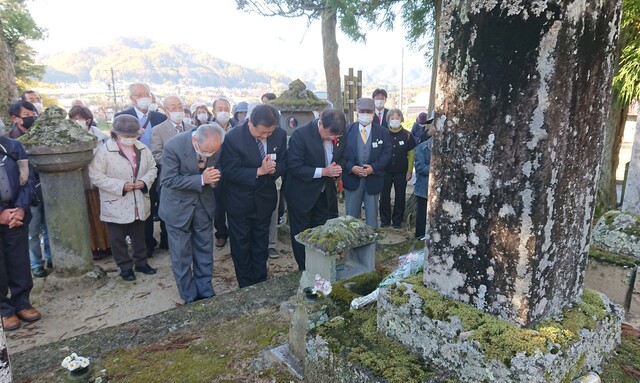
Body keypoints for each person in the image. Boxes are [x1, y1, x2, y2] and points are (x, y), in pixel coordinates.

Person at [220, 104, 287, 288]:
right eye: (262, 132)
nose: (266, 136)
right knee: (241, 246)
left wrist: (274, 170)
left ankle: (260, 281)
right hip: (240, 202)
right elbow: (229, 171)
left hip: (265, 199)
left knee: (260, 243)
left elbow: (284, 162)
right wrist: (259, 171)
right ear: (250, 123)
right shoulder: (233, 138)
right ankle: (245, 285)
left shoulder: (279, 135)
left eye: (270, 132)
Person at [159, 123, 225, 303]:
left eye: (213, 152)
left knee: (204, 249)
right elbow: (168, 180)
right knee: (181, 254)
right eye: (206, 152)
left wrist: (214, 179)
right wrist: (201, 179)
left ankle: (205, 290)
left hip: (203, 205)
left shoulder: (216, 145)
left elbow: (220, 170)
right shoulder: (174, 146)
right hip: (177, 207)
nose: (209, 155)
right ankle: (188, 295)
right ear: (195, 140)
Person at [88, 115, 158, 281]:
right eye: (126, 136)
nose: (129, 139)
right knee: (117, 237)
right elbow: (96, 175)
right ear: (116, 134)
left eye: (133, 136)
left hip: (138, 199)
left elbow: (152, 168)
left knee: (139, 234)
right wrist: (120, 186)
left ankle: (141, 262)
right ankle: (125, 267)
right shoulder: (104, 151)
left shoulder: (142, 148)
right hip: (116, 200)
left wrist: (144, 181)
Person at [286, 109, 346, 270]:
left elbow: (344, 156)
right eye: (328, 134)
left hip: (325, 193)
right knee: (302, 234)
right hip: (301, 193)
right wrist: (324, 171)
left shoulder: (339, 133)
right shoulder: (301, 135)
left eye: (336, 136)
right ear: (320, 122)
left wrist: (337, 169)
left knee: (322, 230)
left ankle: (321, 266)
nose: (332, 138)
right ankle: (304, 269)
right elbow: (294, 167)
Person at [115, 83, 168, 257]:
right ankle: (147, 244)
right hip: (136, 169)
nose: (144, 97)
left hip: (160, 166)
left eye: (147, 93)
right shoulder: (122, 117)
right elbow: (115, 141)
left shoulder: (160, 117)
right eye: (139, 94)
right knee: (144, 206)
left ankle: (167, 239)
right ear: (132, 98)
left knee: (164, 202)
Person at [0, 134, 40, 331]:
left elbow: (28, 178)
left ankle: (22, 302)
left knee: (19, 260)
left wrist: (21, 208)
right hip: (2, 214)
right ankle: (4, 310)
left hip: (17, 213)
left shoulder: (13, 146)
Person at [7, 100, 51, 278]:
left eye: (33, 114)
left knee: (49, 227)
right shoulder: (8, 141)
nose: (31, 118)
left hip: (46, 186)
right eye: (26, 115)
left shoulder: (44, 134)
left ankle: (51, 257)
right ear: (15, 118)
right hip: (24, 191)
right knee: (32, 232)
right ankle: (36, 263)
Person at [150, 96, 196, 254]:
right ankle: (169, 242)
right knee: (170, 213)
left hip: (191, 178)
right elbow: (156, 154)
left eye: (180, 106)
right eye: (172, 107)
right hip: (169, 177)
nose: (177, 110)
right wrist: (177, 163)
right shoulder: (158, 130)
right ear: (165, 110)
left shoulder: (192, 128)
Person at [69, 105, 111, 260]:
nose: (76, 121)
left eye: (79, 118)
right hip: (80, 182)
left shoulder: (101, 138)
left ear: (88, 120)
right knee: (87, 216)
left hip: (100, 182)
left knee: (103, 214)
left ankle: (108, 244)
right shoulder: (69, 139)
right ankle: (93, 247)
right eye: (73, 119)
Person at [342, 98, 391, 228]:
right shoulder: (347, 131)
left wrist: (373, 168)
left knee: (372, 216)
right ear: (357, 112)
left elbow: (386, 154)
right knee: (351, 217)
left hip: (373, 180)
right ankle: (351, 246)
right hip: (352, 179)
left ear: (373, 113)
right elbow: (340, 154)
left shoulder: (383, 132)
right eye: (362, 111)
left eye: (368, 111)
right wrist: (351, 167)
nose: (365, 114)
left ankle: (372, 246)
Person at [379, 109, 416, 228]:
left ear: (401, 119)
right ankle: (385, 220)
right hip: (385, 170)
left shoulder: (408, 135)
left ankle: (397, 221)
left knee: (400, 196)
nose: (395, 120)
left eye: (397, 118)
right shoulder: (383, 134)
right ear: (388, 120)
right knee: (384, 196)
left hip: (401, 171)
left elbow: (411, 154)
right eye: (392, 118)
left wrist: (409, 170)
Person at [211, 98, 235, 249]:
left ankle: (234, 231)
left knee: (233, 202)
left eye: (226, 108)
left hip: (233, 169)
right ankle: (220, 233)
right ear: (214, 111)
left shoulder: (236, 127)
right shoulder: (208, 128)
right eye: (220, 109)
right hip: (215, 170)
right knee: (218, 204)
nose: (223, 111)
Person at [414, 127, 435, 239]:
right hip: (423, 189)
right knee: (421, 217)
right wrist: (435, 169)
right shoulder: (422, 147)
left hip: (437, 191)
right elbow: (419, 167)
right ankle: (419, 239)